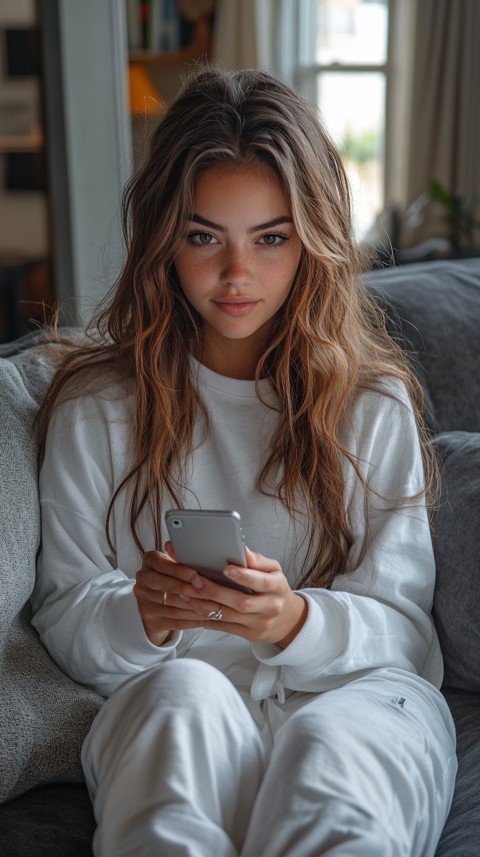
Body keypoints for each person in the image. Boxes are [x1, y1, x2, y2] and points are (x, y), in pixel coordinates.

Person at [31, 67, 456, 857]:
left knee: (330, 777)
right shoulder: (97, 406)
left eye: (271, 238)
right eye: (204, 237)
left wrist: (295, 619)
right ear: (164, 237)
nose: (237, 275)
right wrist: (145, 614)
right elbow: (65, 610)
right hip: (173, 691)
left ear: (312, 239)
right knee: (179, 722)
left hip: (359, 692)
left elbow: (403, 628)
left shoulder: (370, 402)